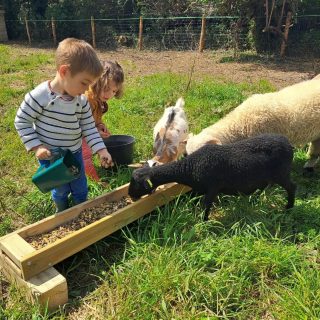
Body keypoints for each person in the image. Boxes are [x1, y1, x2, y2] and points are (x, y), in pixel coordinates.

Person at [14, 38, 113, 212]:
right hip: (52, 157)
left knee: (80, 187)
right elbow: (22, 120)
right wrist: (36, 147)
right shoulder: (40, 96)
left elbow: (89, 128)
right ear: (64, 71)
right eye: (84, 83)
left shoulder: (80, 101)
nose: (86, 89)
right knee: (60, 189)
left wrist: (101, 150)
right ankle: (62, 213)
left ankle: (80, 211)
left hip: (74, 153)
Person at [82, 61, 124, 180]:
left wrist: (99, 126)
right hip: (75, 135)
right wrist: (95, 131)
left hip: (87, 132)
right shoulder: (86, 100)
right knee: (85, 154)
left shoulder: (99, 100)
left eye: (114, 91)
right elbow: (81, 125)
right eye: (106, 88)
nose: (109, 94)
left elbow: (94, 120)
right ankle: (92, 179)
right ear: (96, 83)